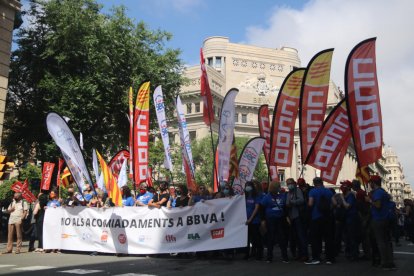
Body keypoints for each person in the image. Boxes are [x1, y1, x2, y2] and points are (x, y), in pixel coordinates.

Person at [367, 175, 397, 270]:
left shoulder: (378, 193)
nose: (369, 184)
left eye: (370, 182)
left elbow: (378, 205)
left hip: (379, 219)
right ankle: (390, 262)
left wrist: (370, 201)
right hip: (385, 219)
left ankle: (385, 263)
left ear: (373, 183)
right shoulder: (383, 192)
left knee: (381, 242)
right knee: (387, 241)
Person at [305, 177, 334, 265]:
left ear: (314, 183)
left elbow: (310, 203)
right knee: (328, 238)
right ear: (322, 182)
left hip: (316, 217)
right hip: (327, 218)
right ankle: (329, 258)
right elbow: (334, 203)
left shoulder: (312, 191)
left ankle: (316, 258)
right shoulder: (328, 191)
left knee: (316, 238)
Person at [260, 181, 289, 263]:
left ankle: (285, 257)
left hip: (280, 219)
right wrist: (263, 220)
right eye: (278, 186)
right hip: (270, 220)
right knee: (270, 238)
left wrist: (287, 217)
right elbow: (261, 208)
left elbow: (285, 208)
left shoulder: (282, 195)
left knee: (282, 238)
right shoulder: (267, 197)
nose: (280, 187)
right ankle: (269, 257)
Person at [286, 178, 308, 262]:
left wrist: (293, 202)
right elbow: (287, 202)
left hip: (298, 216)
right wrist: (288, 204)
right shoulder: (289, 193)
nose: (289, 185)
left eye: (290, 183)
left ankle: (304, 254)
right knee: (296, 237)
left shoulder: (297, 190)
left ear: (294, 183)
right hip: (292, 217)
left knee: (301, 236)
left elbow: (301, 200)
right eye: (288, 184)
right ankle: (299, 254)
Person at [339, 180, 359, 261]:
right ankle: (349, 253)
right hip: (346, 219)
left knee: (351, 237)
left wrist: (342, 199)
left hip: (351, 219)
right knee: (347, 237)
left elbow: (347, 206)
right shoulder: (346, 195)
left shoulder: (350, 195)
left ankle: (354, 254)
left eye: (344, 186)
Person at [244, 181, 263, 260]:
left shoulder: (256, 196)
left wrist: (250, 219)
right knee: (247, 239)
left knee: (256, 238)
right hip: (246, 221)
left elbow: (256, 208)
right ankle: (248, 254)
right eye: (246, 186)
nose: (248, 187)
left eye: (249, 185)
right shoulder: (244, 196)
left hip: (255, 220)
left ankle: (259, 254)